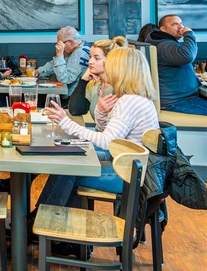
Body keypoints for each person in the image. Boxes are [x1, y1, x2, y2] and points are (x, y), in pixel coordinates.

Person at [38, 47, 160, 256]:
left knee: (69, 169)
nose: (107, 70)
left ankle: (42, 225)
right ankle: (68, 239)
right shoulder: (136, 98)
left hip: (127, 176)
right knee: (72, 160)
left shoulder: (129, 102)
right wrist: (101, 113)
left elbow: (106, 141)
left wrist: (65, 122)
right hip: (132, 168)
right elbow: (111, 134)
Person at [145, 14, 207, 144]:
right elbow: (187, 56)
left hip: (178, 97)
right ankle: (198, 150)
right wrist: (189, 35)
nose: (181, 26)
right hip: (178, 101)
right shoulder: (165, 45)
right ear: (163, 29)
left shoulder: (162, 43)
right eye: (174, 24)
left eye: (181, 23)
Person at [67, 36, 128, 119]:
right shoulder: (94, 84)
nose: (90, 62)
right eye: (90, 57)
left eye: (96, 58)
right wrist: (83, 81)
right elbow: (75, 111)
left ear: (110, 60)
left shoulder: (121, 87)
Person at [34, 26, 91, 97]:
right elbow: (56, 63)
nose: (58, 46)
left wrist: (59, 55)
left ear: (71, 42)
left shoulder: (80, 53)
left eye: (60, 43)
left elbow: (65, 79)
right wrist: (39, 71)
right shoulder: (75, 48)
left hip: (73, 98)